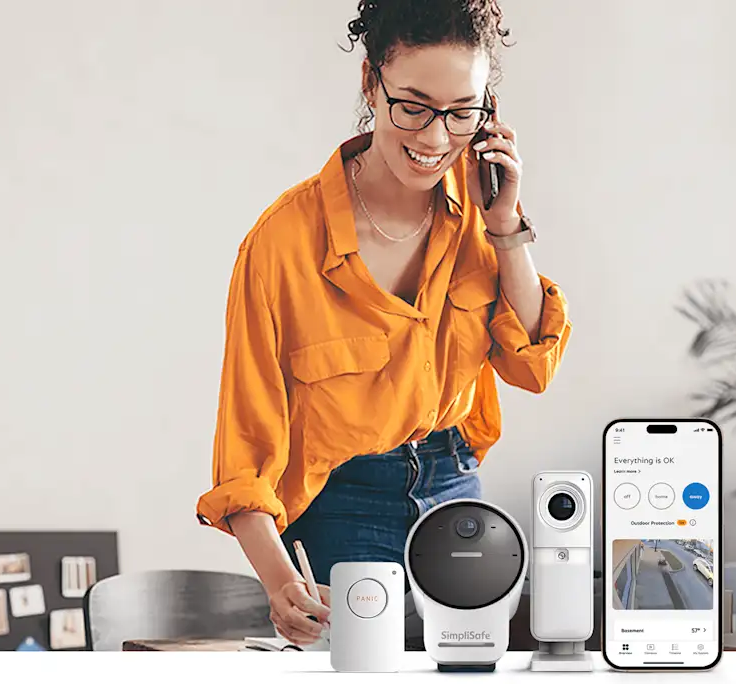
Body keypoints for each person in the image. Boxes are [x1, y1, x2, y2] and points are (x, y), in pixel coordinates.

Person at [195, 0, 572, 647]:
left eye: (461, 112)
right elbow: (245, 448)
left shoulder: (478, 209)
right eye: (413, 106)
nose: (433, 138)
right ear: (370, 82)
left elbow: (531, 364)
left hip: (455, 486)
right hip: (341, 502)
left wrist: (506, 226)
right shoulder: (282, 243)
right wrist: (279, 581)